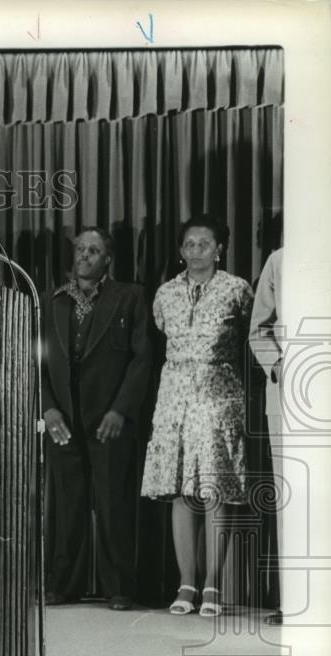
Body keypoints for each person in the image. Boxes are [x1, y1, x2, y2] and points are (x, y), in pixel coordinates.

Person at [141, 215, 254, 617]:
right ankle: (185, 583)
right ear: (181, 250)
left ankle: (212, 585)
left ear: (219, 249)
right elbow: (159, 334)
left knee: (213, 489)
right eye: (189, 244)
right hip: (174, 396)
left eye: (204, 243)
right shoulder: (165, 293)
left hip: (219, 395)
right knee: (181, 490)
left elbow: (248, 339)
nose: (195, 250)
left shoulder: (237, 289)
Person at [42, 227, 151, 610]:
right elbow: (34, 361)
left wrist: (121, 409)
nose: (84, 255)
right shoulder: (51, 300)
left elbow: (142, 359)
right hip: (63, 419)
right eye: (80, 249)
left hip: (109, 419)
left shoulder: (130, 297)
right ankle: (63, 584)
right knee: (66, 505)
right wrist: (48, 407)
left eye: (94, 250)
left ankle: (118, 586)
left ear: (108, 259)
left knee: (112, 503)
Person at [249, 247, 284, 626]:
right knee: (292, 497)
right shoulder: (279, 261)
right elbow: (259, 327)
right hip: (289, 394)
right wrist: (277, 364)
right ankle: (293, 601)